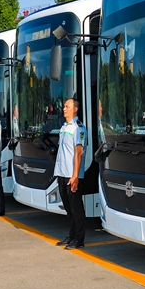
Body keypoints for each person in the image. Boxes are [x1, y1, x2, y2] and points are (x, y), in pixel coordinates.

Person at [54, 99, 87, 250]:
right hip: (62, 173)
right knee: (68, 207)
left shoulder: (78, 128)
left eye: (67, 106)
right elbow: (62, 152)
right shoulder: (64, 127)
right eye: (64, 106)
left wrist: (75, 176)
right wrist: (58, 173)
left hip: (72, 174)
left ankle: (79, 239)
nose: (64, 109)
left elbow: (78, 153)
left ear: (75, 109)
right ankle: (72, 235)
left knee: (76, 208)